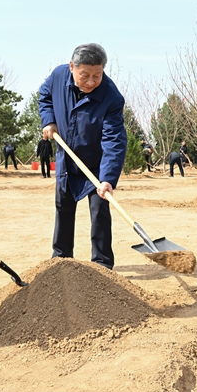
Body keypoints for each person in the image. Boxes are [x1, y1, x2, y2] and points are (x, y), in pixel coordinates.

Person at [38, 43, 126, 269]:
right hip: (67, 158)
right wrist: (49, 120)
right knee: (63, 207)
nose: (91, 82)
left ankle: (102, 265)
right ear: (71, 67)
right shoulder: (58, 76)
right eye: (84, 75)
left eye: (97, 75)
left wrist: (107, 178)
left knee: (100, 210)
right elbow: (45, 96)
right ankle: (61, 260)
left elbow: (114, 140)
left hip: (97, 164)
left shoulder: (111, 97)